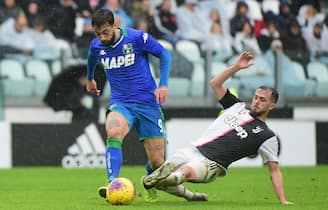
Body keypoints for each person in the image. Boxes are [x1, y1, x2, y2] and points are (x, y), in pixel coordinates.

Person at [142, 52, 294, 205]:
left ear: (271, 106)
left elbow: (274, 170)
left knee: (183, 173)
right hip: (192, 149)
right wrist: (236, 67)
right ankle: (189, 195)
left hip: (212, 163)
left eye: (262, 100)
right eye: (255, 97)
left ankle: (168, 177)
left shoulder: (267, 136)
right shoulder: (236, 106)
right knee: (160, 182)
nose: (256, 102)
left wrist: (283, 200)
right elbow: (215, 83)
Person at [86, 9, 171, 202]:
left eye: (105, 32)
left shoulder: (136, 38)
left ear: (114, 25)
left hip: (148, 103)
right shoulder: (97, 45)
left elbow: (164, 54)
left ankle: (148, 180)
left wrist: (163, 84)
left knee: (157, 162)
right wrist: (90, 79)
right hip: (120, 103)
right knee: (113, 133)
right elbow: (92, 56)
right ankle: (112, 183)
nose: (102, 37)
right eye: (97, 34)